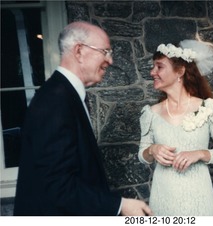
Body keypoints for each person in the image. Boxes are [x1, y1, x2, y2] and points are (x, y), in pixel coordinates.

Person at [14, 21, 152, 216]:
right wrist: (119, 206)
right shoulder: (55, 101)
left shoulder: (66, 95)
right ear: (79, 51)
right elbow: (57, 186)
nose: (110, 61)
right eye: (105, 51)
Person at [138, 40, 213, 216]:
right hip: (163, 198)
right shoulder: (150, 113)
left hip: (199, 199)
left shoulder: (209, 107)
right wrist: (152, 149)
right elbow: (142, 154)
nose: (152, 72)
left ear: (180, 71)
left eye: (159, 67)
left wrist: (199, 154)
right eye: (153, 67)